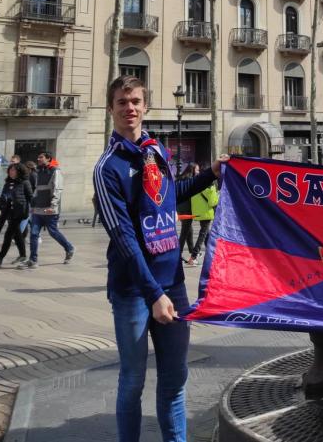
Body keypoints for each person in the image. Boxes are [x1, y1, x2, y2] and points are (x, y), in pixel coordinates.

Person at [93, 75, 228, 442]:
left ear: (145, 106)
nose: (129, 108)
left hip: (173, 284)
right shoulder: (107, 168)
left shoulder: (156, 152)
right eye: (122, 102)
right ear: (111, 109)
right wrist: (153, 294)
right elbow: (122, 237)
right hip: (135, 291)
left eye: (135, 101)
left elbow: (171, 196)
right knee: (132, 382)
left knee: (174, 382)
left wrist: (210, 175)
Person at [17, 151, 75, 269]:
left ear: (48, 159)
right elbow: (37, 190)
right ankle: (33, 260)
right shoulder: (39, 171)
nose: (38, 159)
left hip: (50, 209)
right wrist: (33, 205)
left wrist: (53, 207)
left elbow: (57, 190)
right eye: (38, 157)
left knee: (53, 232)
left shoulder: (55, 171)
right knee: (33, 234)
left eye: (41, 157)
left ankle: (69, 248)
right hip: (38, 209)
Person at [0, 163, 32, 267]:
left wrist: (28, 212)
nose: (11, 172)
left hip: (20, 213)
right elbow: (3, 198)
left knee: (8, 235)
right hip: (9, 213)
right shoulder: (7, 183)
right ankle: (23, 255)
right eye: (10, 170)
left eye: (13, 170)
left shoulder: (25, 183)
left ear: (19, 171)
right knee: (17, 235)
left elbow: (30, 198)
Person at [188, 170, 219, 266]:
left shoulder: (197, 185)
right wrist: (218, 195)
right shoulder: (210, 188)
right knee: (203, 234)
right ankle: (193, 257)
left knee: (207, 234)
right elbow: (213, 202)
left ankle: (213, 254)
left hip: (198, 211)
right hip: (206, 212)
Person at [176, 163, 198, 263]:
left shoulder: (180, 178)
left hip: (180, 207)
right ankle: (178, 253)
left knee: (189, 229)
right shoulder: (190, 180)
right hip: (187, 208)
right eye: (197, 170)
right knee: (185, 231)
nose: (198, 172)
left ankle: (191, 249)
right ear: (192, 170)